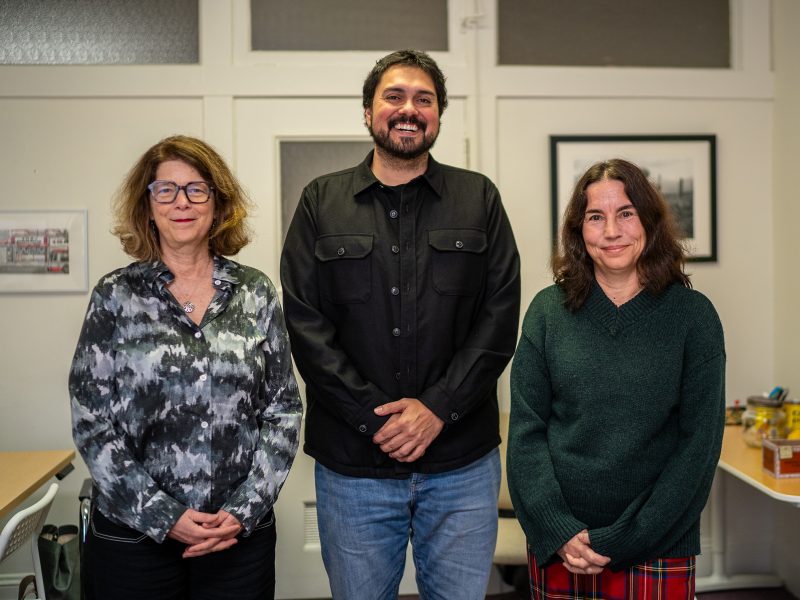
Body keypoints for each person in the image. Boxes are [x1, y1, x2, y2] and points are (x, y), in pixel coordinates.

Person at [280, 49, 520, 599]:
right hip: (352, 470)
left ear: (438, 115)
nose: (408, 108)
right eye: (394, 96)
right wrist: (375, 419)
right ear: (368, 111)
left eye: (424, 99)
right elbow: (305, 324)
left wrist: (437, 409)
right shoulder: (321, 201)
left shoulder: (479, 198)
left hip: (461, 464)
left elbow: (500, 316)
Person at [69, 135, 302, 600]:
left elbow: (283, 411)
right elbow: (92, 421)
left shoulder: (254, 292)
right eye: (166, 190)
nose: (182, 202)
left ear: (218, 204)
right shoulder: (115, 295)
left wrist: (244, 509)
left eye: (197, 189)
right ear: (148, 204)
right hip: (133, 537)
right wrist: (164, 516)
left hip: (235, 536)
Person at [507, 158, 725, 599]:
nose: (611, 231)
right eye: (595, 217)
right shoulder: (547, 313)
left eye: (625, 213)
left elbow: (698, 445)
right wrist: (559, 530)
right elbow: (526, 434)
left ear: (648, 221)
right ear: (577, 231)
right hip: (563, 544)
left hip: (659, 541)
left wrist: (628, 537)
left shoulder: (693, 317)